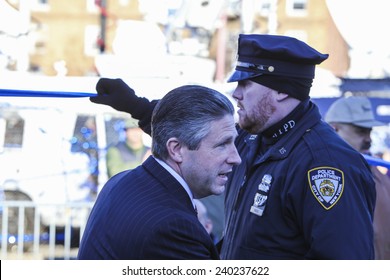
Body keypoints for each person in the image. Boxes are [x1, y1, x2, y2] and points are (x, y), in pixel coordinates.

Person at [89, 34, 376, 259]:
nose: (236, 94)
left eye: (246, 84)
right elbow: (194, 136)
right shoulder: (256, 137)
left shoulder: (325, 164)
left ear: (281, 91)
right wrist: (135, 105)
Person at [77, 85, 241, 259]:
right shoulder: (174, 226)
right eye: (222, 145)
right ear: (176, 149)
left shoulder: (120, 181)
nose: (236, 158)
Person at [325, 96, 390, 259]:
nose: (369, 138)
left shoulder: (373, 169)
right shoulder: (325, 174)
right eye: (360, 131)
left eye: (369, 131)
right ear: (334, 129)